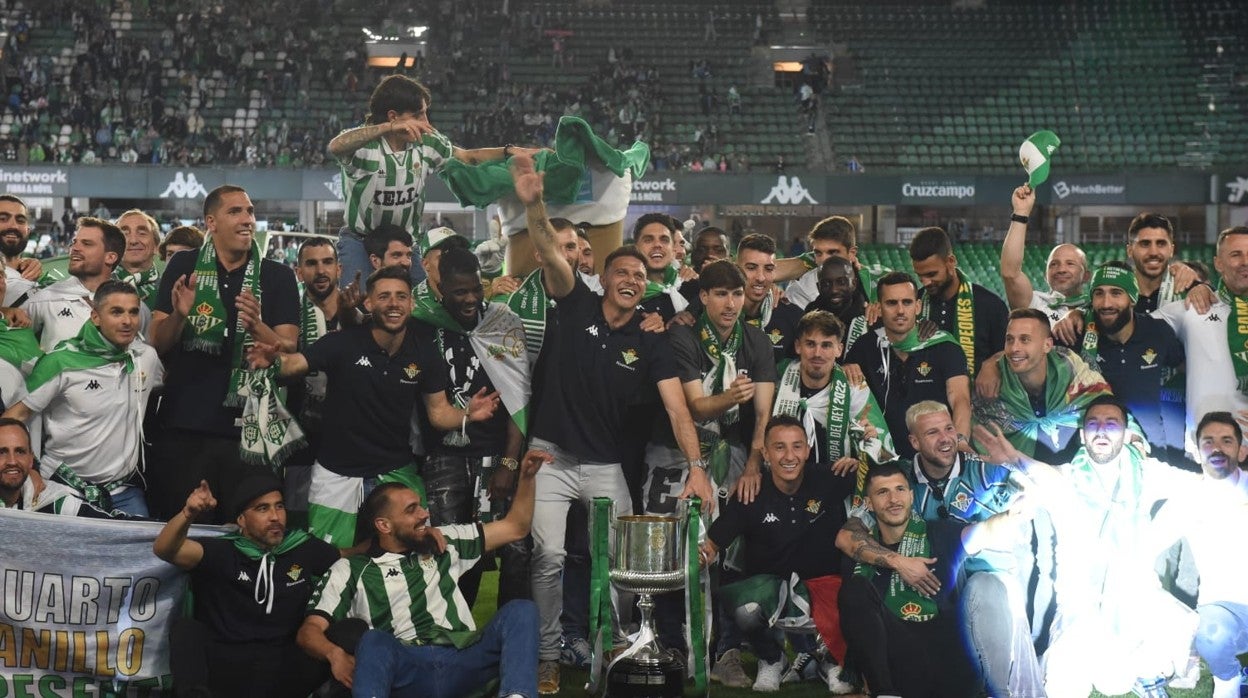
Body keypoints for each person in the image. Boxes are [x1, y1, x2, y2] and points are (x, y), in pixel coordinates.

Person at [510, 153, 714, 694]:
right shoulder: (573, 301)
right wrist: (534, 206)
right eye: (621, 271)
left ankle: (620, 642)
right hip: (550, 455)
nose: (631, 278)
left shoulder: (650, 340)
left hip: (604, 465)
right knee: (549, 555)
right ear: (602, 279)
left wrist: (697, 466)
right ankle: (549, 654)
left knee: (625, 560)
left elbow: (677, 407)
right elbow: (551, 253)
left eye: (640, 275)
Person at [248, 265, 499, 547]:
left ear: (411, 303)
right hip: (336, 472)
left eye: (401, 296)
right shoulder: (342, 343)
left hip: (394, 470)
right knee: (330, 561)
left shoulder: (424, 351)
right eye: (384, 296)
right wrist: (275, 362)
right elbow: (295, 364)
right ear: (368, 303)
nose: (394, 303)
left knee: (413, 553)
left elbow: (439, 413)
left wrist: (467, 414)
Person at [976, 397, 1198, 698]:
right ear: (1082, 435)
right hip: (1079, 607)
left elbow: (1201, 488)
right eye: (1093, 424)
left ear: (1125, 433)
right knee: (1064, 687)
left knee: (1173, 628)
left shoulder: (1146, 472)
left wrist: (1153, 541)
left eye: (1112, 425)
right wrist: (1015, 458)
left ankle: (1144, 673)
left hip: (1135, 598)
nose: (1102, 432)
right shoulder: (1067, 475)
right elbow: (1045, 478)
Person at [298, 449, 550, 698]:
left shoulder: (445, 542)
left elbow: (515, 527)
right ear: (383, 525)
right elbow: (309, 632)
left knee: (521, 610)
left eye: (420, 506)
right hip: (408, 666)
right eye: (411, 510)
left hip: (463, 658)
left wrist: (526, 478)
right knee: (373, 641)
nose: (425, 514)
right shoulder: (350, 570)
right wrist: (335, 654)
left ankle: (517, 695)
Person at [843, 401, 1044, 697]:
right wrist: (897, 561)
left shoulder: (985, 470)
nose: (946, 438)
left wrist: (1016, 462)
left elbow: (1047, 491)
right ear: (914, 441)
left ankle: (998, 692)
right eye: (933, 433)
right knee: (863, 579)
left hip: (989, 590)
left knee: (984, 584)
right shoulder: (901, 480)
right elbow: (847, 536)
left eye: (949, 428)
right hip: (931, 592)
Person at [147, 184, 301, 522]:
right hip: (186, 425)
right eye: (236, 212)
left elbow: (289, 348)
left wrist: (258, 326)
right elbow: (158, 342)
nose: (248, 219)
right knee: (184, 523)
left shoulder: (278, 276)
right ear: (211, 222)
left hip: (250, 429)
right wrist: (180, 315)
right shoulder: (183, 266)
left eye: (250, 211)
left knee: (244, 531)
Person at [328, 74, 538, 289]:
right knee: (356, 302)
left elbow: (467, 157)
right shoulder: (365, 147)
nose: (427, 123)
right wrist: (387, 128)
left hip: (406, 246)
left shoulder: (427, 143)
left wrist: (509, 151)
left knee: (425, 302)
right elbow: (335, 146)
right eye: (419, 115)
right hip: (361, 242)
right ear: (393, 116)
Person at [410, 247, 530, 607]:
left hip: (494, 452)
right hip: (441, 454)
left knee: (513, 547)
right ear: (439, 288)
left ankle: (510, 634)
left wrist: (509, 464)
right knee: (448, 546)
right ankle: (453, 632)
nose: (470, 298)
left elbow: (518, 400)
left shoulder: (502, 323)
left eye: (476, 289)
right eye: (459, 291)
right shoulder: (422, 325)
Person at [701, 415, 857, 693]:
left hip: (826, 589)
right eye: (780, 447)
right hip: (772, 590)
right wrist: (701, 554)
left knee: (857, 590)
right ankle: (771, 658)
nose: (789, 456)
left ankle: (832, 662)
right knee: (743, 607)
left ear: (808, 450)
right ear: (766, 453)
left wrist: (861, 463)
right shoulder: (751, 491)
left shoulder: (830, 478)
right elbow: (712, 544)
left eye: (797, 447)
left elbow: (887, 476)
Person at [153, 476, 341, 698]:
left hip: (282, 668)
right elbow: (165, 549)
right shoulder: (221, 551)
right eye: (263, 509)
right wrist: (188, 513)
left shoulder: (302, 547)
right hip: (226, 668)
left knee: (350, 631)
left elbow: (347, 559)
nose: (275, 516)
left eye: (279, 506)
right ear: (241, 519)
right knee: (186, 630)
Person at [2, 281, 162, 516]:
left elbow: (163, 389)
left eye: (133, 312)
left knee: (145, 551)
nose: (127, 321)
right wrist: (30, 468)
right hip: (61, 488)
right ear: (95, 317)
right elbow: (13, 418)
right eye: (116, 312)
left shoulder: (145, 357)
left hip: (123, 491)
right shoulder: (60, 362)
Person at [834, 462, 973, 698]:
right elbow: (844, 538)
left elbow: (983, 532)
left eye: (900, 489)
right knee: (855, 590)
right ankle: (883, 693)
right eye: (882, 492)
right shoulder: (859, 554)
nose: (893, 499)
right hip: (895, 671)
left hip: (944, 664)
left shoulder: (941, 533)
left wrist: (1012, 515)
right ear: (868, 503)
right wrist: (900, 562)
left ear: (911, 496)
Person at [1149, 411, 1248, 698]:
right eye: (1209, 441)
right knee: (1212, 632)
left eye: (1227, 440)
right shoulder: (1189, 498)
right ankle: (1229, 681)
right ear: (1196, 449)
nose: (1217, 448)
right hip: (1226, 612)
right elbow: (1146, 547)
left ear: (1241, 450)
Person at [844, 271, 971, 459]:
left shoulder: (944, 347)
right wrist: (845, 368)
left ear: (918, 306)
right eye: (891, 303)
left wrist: (959, 442)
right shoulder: (863, 348)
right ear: (878, 308)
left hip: (936, 460)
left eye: (907, 302)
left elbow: (960, 399)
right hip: (885, 461)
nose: (900, 310)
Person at [972, 308, 1116, 465]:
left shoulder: (1071, 370)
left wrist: (1135, 436)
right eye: (1010, 340)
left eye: (1025, 339)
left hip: (1080, 473)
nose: (1014, 348)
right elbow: (977, 429)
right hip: (1014, 480)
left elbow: (1108, 407)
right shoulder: (993, 383)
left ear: (1047, 345)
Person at [770, 310, 893, 472]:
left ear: (839, 349)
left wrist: (870, 444)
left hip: (836, 483)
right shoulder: (777, 377)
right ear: (798, 346)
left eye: (826, 345)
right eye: (810, 344)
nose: (817, 354)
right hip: (785, 481)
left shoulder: (853, 387)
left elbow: (884, 456)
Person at [909, 226, 1009, 377]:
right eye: (920, 276)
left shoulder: (990, 305)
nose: (926, 282)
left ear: (951, 261)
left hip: (974, 396)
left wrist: (992, 363)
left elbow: (1008, 353)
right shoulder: (912, 304)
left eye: (931, 274)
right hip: (925, 395)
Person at [26, 216, 129, 352]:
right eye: (74, 242)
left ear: (110, 257)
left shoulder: (133, 305)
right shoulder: (45, 298)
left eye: (86, 243)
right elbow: (15, 343)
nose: (74, 248)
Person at [1000, 185, 1089, 323]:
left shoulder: (1097, 309)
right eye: (1054, 264)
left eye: (1070, 263)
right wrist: (1021, 212)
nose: (1061, 269)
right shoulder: (1036, 305)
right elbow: (1010, 274)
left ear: (1086, 276)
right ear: (1045, 276)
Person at [0, 417, 113, 517]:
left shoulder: (53, 501)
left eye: (20, 452)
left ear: (31, 460)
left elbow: (117, 526)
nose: (12, 461)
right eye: (2, 452)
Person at [780, 215, 881, 310]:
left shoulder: (875, 283)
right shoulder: (801, 290)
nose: (824, 260)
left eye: (832, 252)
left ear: (852, 253)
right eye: (818, 253)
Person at [735, 233, 803, 366]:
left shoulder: (793, 318)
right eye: (751, 268)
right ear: (736, 269)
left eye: (768, 269)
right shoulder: (717, 314)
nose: (761, 277)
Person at [805, 255, 871, 354]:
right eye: (826, 284)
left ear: (854, 283)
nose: (834, 290)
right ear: (818, 287)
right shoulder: (807, 317)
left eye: (841, 282)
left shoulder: (869, 317)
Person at [0, 194, 46, 307]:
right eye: (3, 219)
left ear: (28, 231)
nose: (14, 226)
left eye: (20, 220)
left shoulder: (43, 279)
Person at [114, 208, 163, 307]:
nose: (133, 241)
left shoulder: (170, 291)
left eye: (142, 233)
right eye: (125, 234)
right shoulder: (96, 288)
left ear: (156, 247)